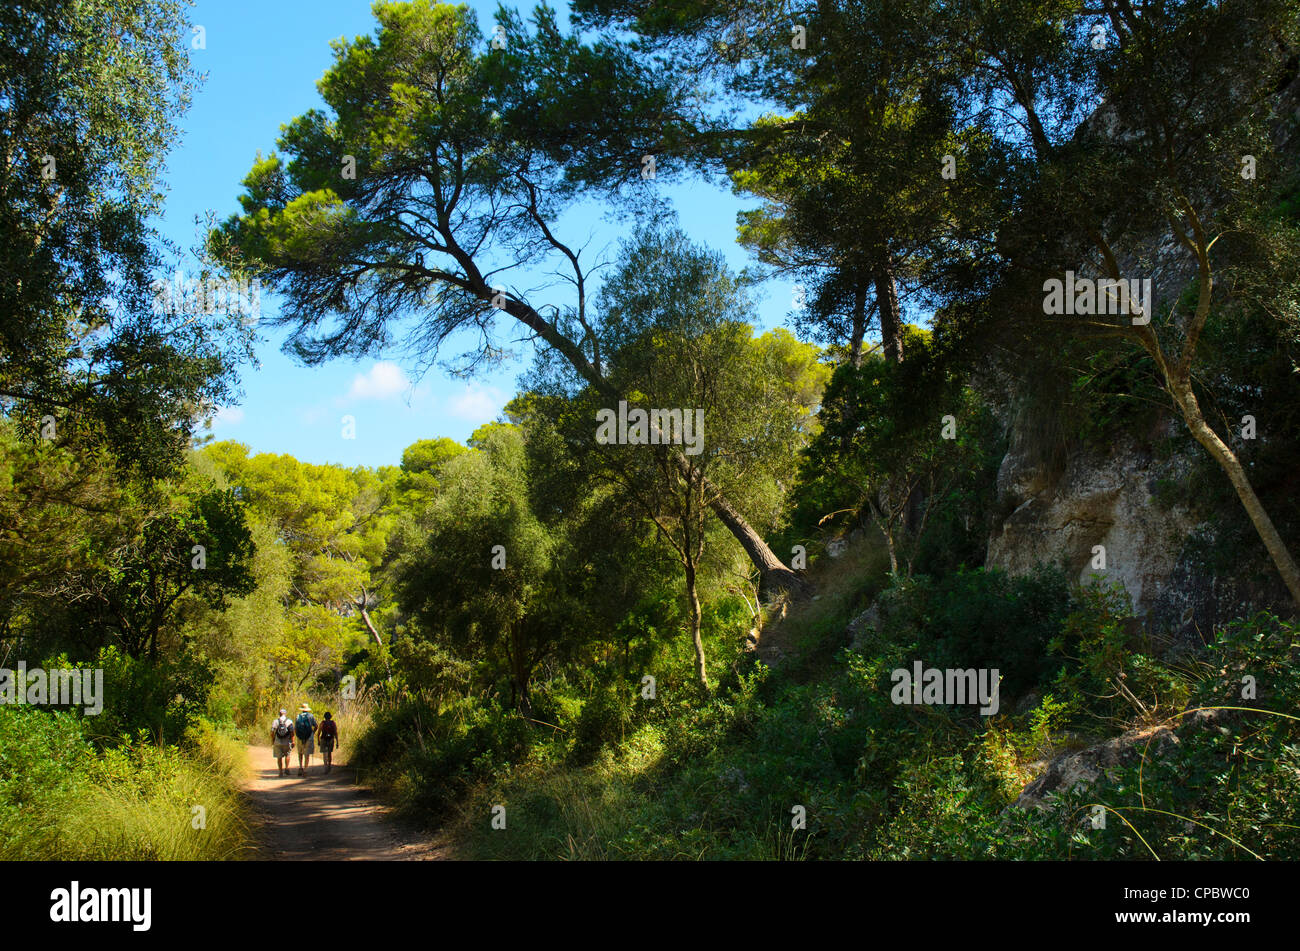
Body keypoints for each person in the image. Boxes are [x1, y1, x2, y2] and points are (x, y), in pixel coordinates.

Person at [294, 703, 318, 776]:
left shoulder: (298, 716)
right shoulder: (311, 716)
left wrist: (298, 735)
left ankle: (300, 767)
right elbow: (316, 726)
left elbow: (295, 728)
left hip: (300, 737)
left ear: (302, 710)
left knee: (300, 753)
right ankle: (305, 769)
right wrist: (313, 733)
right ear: (307, 709)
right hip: (309, 736)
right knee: (306, 753)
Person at [271, 708, 295, 777]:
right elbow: (292, 732)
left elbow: (272, 731)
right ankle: (286, 768)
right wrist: (293, 741)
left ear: (279, 714)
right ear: (285, 714)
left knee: (279, 757)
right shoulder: (289, 721)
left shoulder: (275, 721)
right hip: (287, 741)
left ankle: (280, 772)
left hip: (278, 741)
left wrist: (273, 739)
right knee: (287, 755)